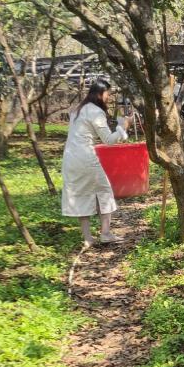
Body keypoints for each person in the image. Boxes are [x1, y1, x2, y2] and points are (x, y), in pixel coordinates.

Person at [61, 79, 133, 248]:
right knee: (105, 191)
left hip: (70, 158)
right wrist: (124, 127)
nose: (109, 97)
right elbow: (108, 140)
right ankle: (106, 234)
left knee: (81, 195)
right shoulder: (95, 112)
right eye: (108, 93)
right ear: (100, 93)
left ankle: (87, 239)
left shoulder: (79, 109)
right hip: (85, 158)